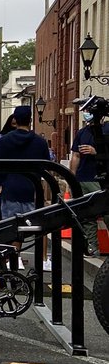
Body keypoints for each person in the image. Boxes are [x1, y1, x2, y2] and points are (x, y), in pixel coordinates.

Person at [0, 105, 51, 267]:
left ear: (15, 120)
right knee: (39, 226)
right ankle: (43, 260)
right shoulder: (40, 142)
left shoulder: (5, 140)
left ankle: (13, 258)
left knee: (12, 227)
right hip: (32, 188)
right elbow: (46, 167)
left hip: (11, 188)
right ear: (30, 120)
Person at [70, 109, 109, 257]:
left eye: (89, 111)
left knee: (106, 214)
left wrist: (95, 152)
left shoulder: (106, 129)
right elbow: (76, 155)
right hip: (83, 178)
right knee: (87, 216)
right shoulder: (82, 132)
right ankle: (92, 247)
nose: (87, 113)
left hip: (101, 178)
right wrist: (71, 177)